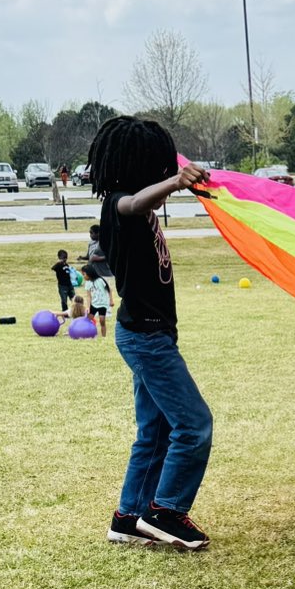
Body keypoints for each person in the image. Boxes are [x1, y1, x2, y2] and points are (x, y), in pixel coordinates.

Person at [90, 116, 214, 551]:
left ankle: (128, 518)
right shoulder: (119, 204)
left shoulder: (140, 204)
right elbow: (134, 203)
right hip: (145, 336)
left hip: (151, 334)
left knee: (155, 431)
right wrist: (175, 183)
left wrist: (187, 175)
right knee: (194, 425)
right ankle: (165, 511)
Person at [86, 266, 112, 341]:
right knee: (88, 320)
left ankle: (104, 337)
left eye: (84, 274)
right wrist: (88, 307)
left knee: (102, 320)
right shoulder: (88, 283)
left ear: (90, 274)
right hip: (94, 304)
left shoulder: (100, 280)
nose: (83, 276)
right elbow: (88, 296)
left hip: (102, 304)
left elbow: (109, 289)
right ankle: (89, 335)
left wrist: (111, 300)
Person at [52, 249, 76, 313]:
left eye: (66, 258)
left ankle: (76, 310)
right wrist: (58, 263)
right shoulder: (58, 265)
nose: (65, 259)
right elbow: (53, 268)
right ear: (59, 257)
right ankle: (65, 312)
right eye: (63, 258)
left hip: (69, 284)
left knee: (73, 298)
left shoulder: (66, 265)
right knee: (64, 300)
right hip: (62, 286)